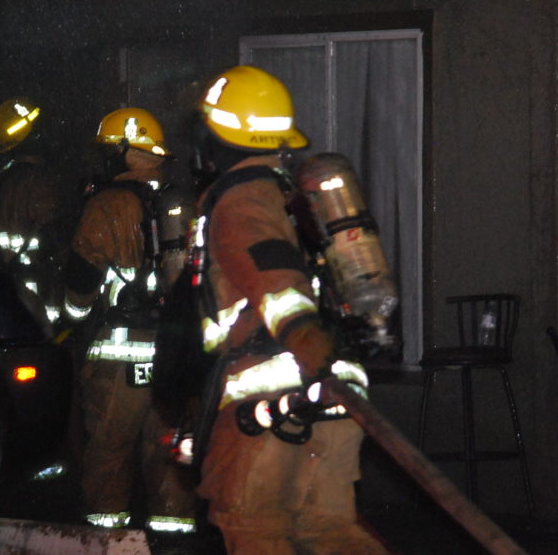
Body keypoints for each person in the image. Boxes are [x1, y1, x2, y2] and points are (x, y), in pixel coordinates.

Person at [189, 65, 390, 554]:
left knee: (253, 530)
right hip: (332, 390)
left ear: (216, 138)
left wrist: (304, 340)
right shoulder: (290, 195)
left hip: (274, 399)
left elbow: (275, 278)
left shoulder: (242, 201)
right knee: (330, 532)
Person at [63, 107, 199, 541]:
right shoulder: (186, 203)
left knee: (108, 452)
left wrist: (73, 318)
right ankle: (173, 538)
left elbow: (81, 283)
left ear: (124, 152)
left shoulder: (106, 205)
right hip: (175, 356)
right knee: (169, 454)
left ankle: (106, 540)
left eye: (109, 151)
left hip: (118, 358)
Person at [0, 97, 73, 334]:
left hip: (8, 288)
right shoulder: (41, 182)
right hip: (38, 294)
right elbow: (55, 236)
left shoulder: (2, 181)